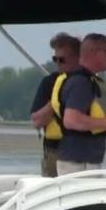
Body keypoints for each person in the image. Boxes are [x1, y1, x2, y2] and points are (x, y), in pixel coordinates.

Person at [51, 33, 106, 175]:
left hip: (83, 160)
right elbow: (71, 120)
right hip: (78, 163)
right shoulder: (81, 83)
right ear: (95, 53)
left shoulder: (87, 81)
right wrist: (105, 122)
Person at [30, 33, 81, 176]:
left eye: (62, 59)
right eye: (55, 59)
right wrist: (56, 100)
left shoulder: (90, 84)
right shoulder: (49, 83)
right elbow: (36, 121)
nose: (58, 63)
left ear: (77, 58)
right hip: (55, 152)